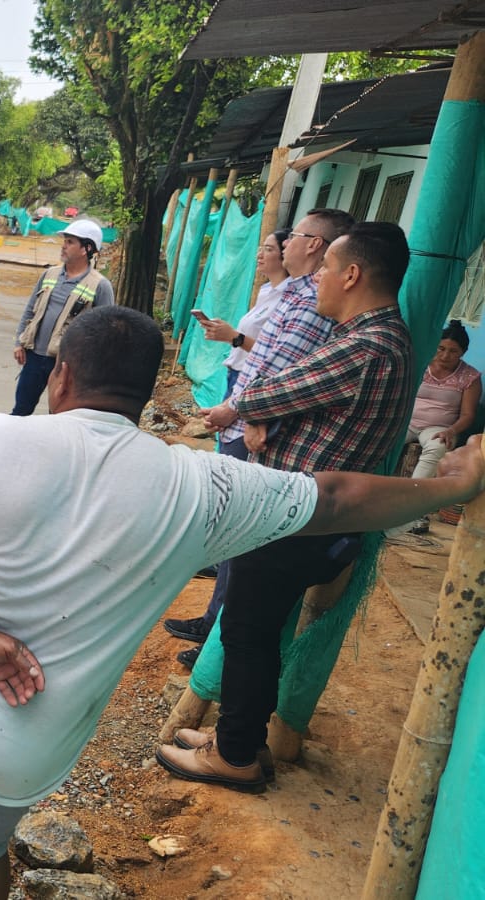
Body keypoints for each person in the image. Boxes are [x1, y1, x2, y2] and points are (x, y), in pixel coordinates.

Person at [0, 305, 485, 900]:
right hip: (22, 742)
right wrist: (446, 487)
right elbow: (337, 498)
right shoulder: (198, 487)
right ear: (144, 395)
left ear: (62, 377)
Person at [159, 222, 415, 792]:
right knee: (260, 628)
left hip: (296, 521)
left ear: (352, 274)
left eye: (327, 268)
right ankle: (242, 738)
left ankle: (235, 758)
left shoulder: (368, 345)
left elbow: (280, 387)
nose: (318, 278)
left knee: (248, 630)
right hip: (303, 516)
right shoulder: (378, 340)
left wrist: (239, 409)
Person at [165, 209, 356, 655]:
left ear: (313, 245)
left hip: (259, 425)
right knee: (237, 524)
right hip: (248, 413)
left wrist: (245, 414)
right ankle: (215, 628)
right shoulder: (291, 291)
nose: (284, 244)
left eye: (293, 238)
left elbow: (283, 372)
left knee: (244, 525)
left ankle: (218, 639)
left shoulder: (312, 299)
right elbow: (268, 363)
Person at [166, 228, 291, 668]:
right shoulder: (270, 293)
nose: (261, 254)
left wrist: (236, 340)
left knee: (235, 502)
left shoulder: (295, 300)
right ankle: (211, 618)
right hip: (241, 391)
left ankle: (215, 634)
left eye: (270, 248)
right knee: (227, 495)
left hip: (251, 402)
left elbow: (277, 365)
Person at [11, 219, 115, 416]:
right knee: (20, 412)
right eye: (64, 241)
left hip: (67, 365)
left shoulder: (100, 286)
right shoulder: (50, 274)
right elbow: (30, 309)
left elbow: (105, 333)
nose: (63, 246)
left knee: (59, 417)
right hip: (34, 357)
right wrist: (19, 342)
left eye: (69, 242)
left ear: (86, 248)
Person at [391, 320, 480, 536]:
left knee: (438, 447)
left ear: (463, 352)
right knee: (384, 441)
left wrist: (451, 431)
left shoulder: (470, 377)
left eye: (453, 351)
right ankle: (374, 495)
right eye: (441, 348)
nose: (445, 355)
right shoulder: (420, 364)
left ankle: (411, 506)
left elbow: (468, 415)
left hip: (439, 427)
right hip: (408, 422)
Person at [196, 229, 292, 397]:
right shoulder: (267, 290)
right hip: (237, 372)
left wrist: (234, 336)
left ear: (286, 255)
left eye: (269, 249)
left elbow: (275, 354)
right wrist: (226, 333)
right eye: (261, 248)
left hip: (253, 380)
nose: (259, 255)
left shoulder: (289, 298)